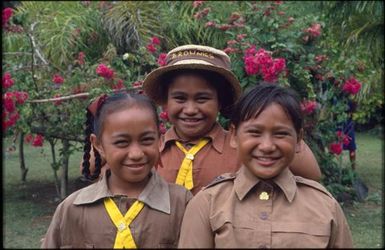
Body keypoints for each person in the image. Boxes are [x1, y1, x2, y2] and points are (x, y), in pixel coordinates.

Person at [178, 83, 353, 248]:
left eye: (281, 134)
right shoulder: (207, 204)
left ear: (299, 140)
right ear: (233, 136)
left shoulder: (325, 206)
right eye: (254, 132)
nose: (267, 146)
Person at [142, 44, 321, 195]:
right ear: (165, 101)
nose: (190, 110)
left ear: (221, 101)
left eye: (202, 99)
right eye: (180, 99)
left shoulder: (243, 146)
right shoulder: (149, 150)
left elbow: (311, 175)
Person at [41, 91, 192, 248]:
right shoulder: (72, 209)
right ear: (98, 145)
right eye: (122, 142)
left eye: (147, 140)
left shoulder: (182, 204)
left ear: (160, 141)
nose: (136, 154)